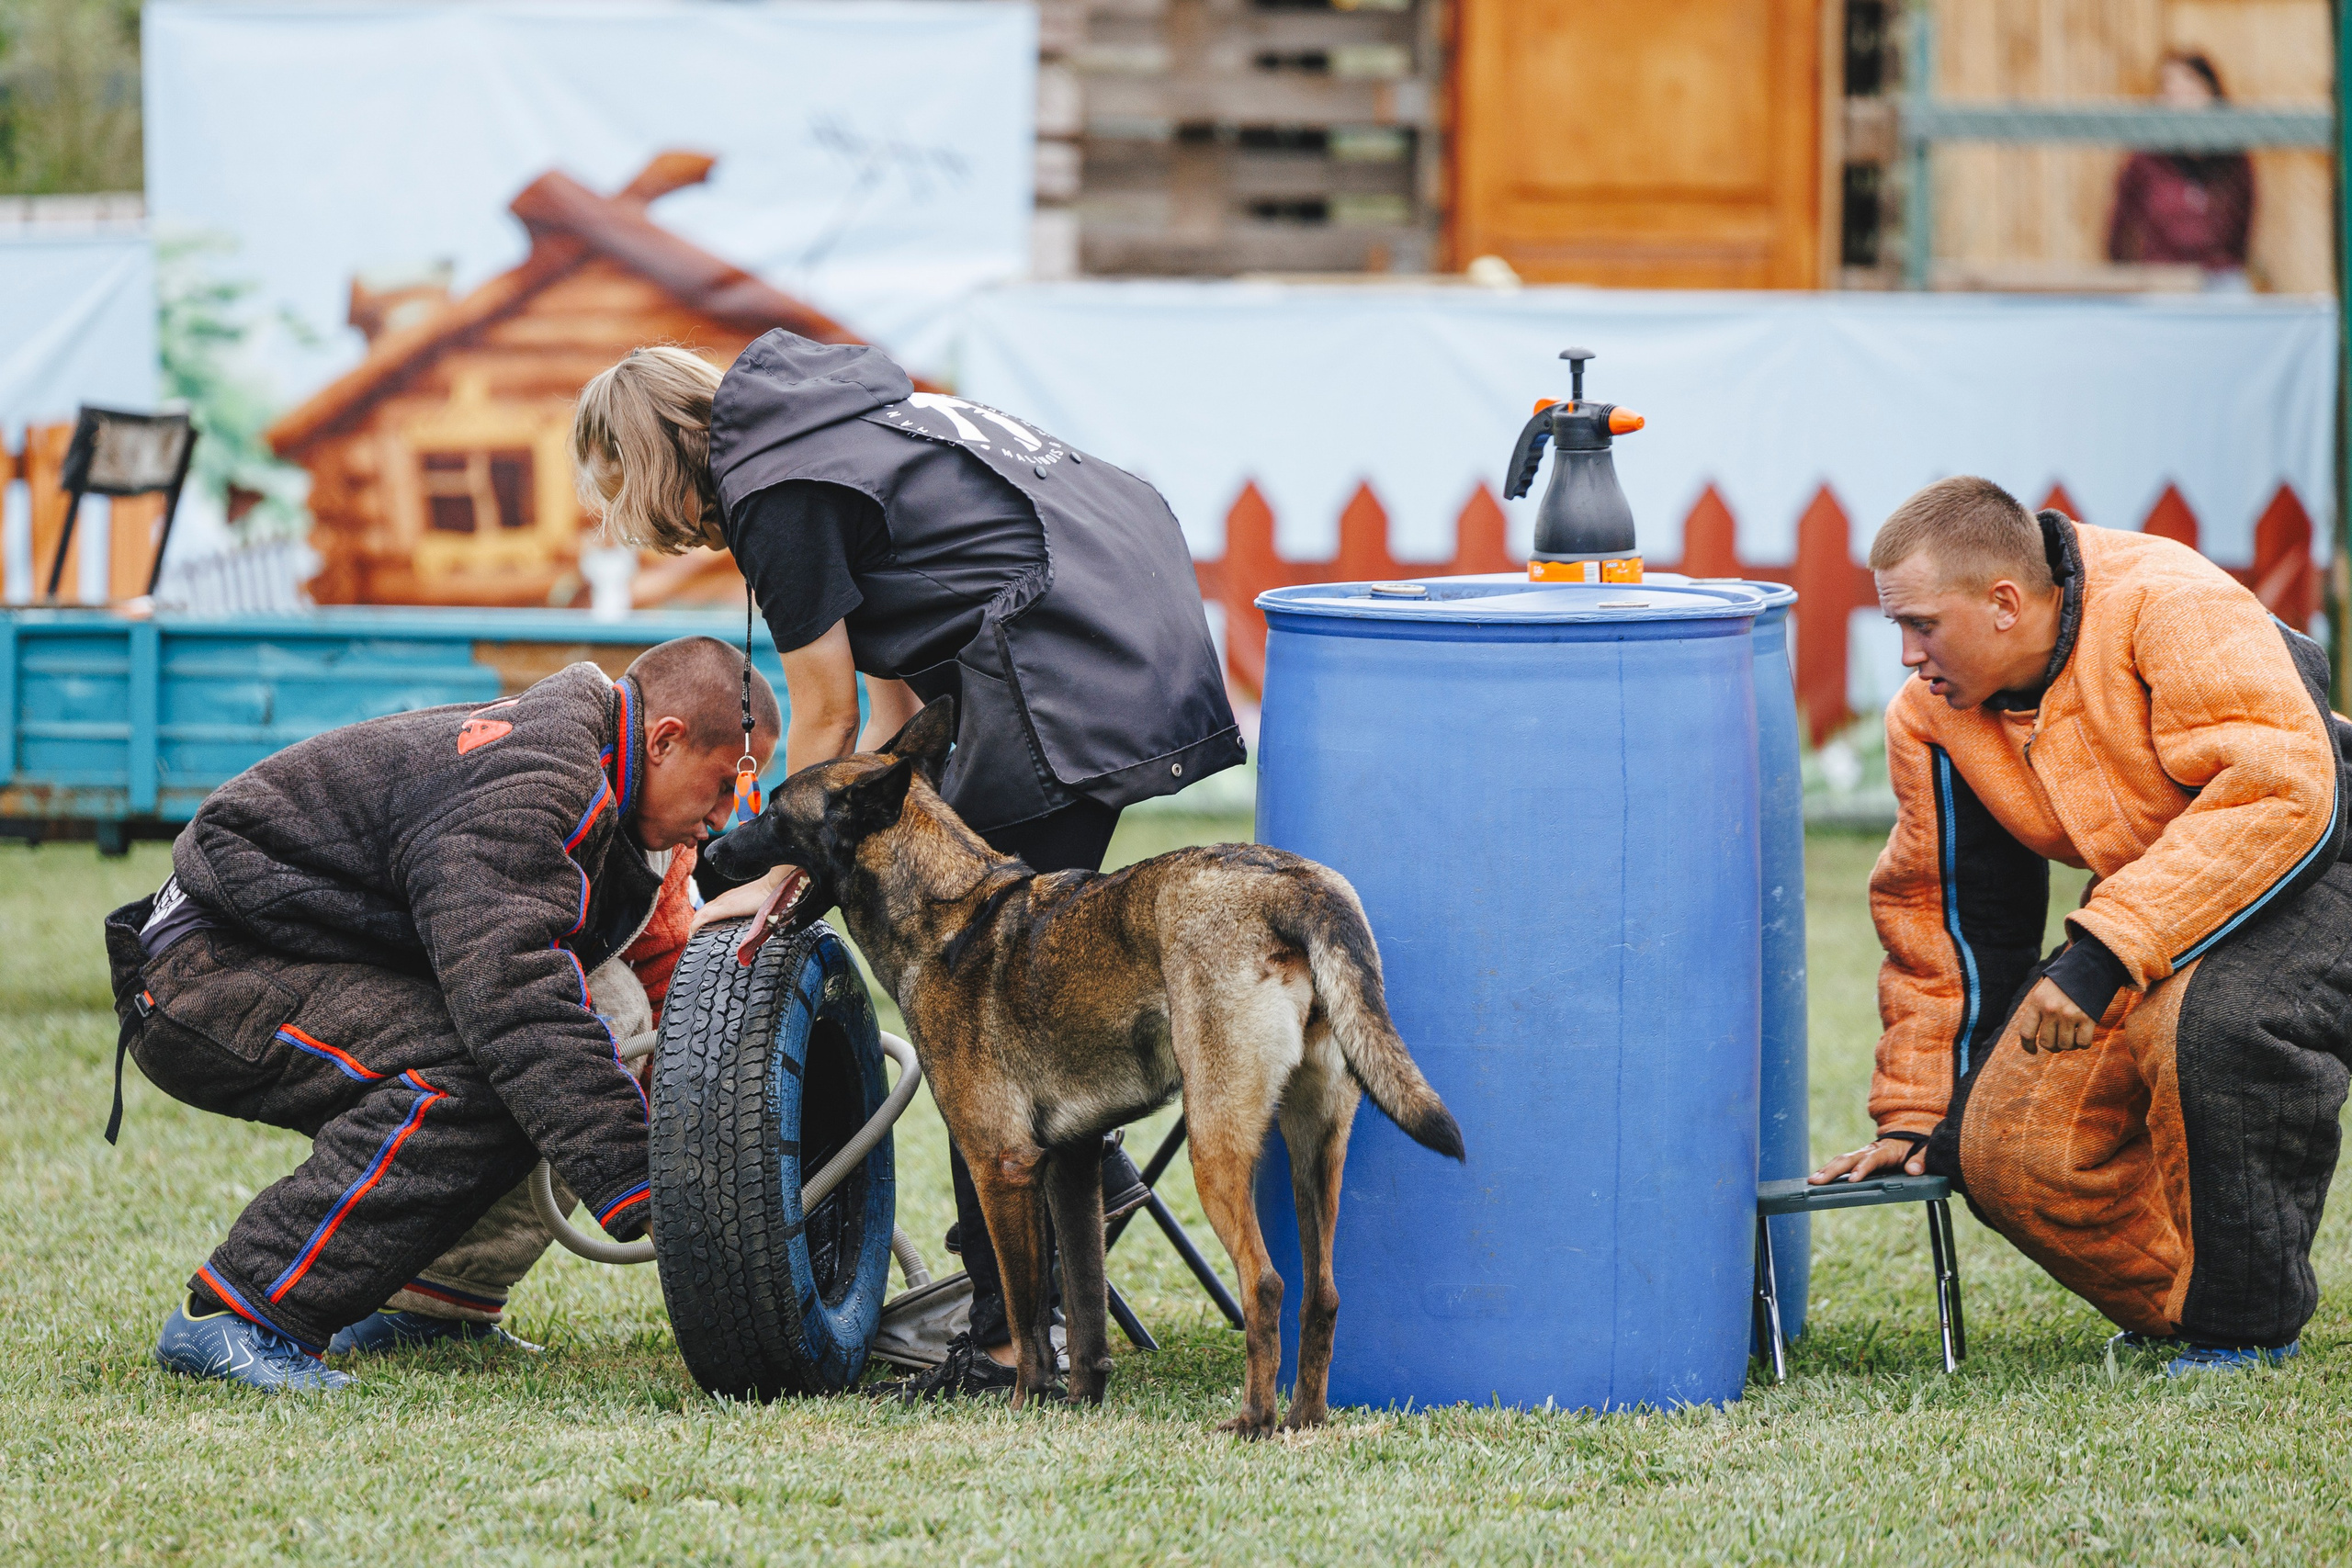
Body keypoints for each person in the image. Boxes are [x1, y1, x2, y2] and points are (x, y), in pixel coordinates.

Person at [571, 336, 1246, 1397]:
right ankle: (1089, 1188)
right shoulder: (833, 429)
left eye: (629, 491)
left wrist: (781, 878)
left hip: (1070, 660)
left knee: (973, 993)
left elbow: (829, 716)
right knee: (969, 961)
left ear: (651, 462)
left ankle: (1011, 1339)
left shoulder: (776, 490)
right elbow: (891, 730)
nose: (659, 526)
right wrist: (831, 862)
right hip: (1114, 624)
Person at [104, 637, 779, 1390]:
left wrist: (732, 1160)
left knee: (607, 1010)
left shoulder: (622, 803)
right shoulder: (538, 780)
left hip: (293, 952)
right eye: (723, 788)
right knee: (477, 1073)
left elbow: (662, 1000)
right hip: (203, 968)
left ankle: (436, 1299)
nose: (724, 819)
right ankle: (239, 1311)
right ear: (665, 740)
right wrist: (648, 1189)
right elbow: (516, 1006)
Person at [1811, 477, 2350, 1376]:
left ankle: (2243, 1329)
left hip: (2319, 864)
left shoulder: (2172, 603)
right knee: (2005, 1150)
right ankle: (2189, 1308)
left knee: (2204, 1023)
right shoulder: (1933, 717)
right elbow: (1943, 919)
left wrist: (2104, 954)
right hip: (2155, 907)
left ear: (2003, 602)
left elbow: (2282, 792)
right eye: (1895, 630)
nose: (1906, 657)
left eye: (1921, 626)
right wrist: (1918, 1116)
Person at [2107, 51, 2254, 288]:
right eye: (2169, 91)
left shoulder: (2233, 159)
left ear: (2211, 93)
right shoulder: (2145, 159)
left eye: (2189, 88)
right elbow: (2120, 228)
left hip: (2220, 276)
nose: (2180, 99)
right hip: (2163, 277)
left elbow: (2242, 226)